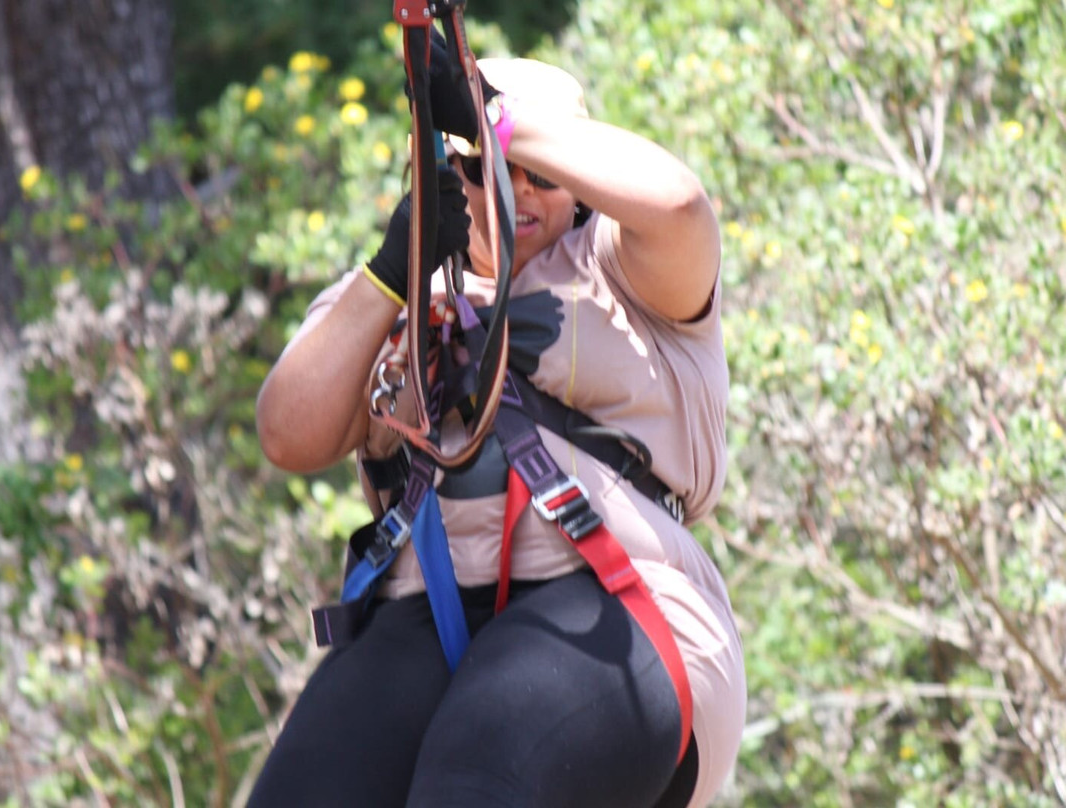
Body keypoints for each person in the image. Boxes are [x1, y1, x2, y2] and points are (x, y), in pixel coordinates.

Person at [249, 38, 745, 808]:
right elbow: (288, 434)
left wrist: (487, 117)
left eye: (537, 176)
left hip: (613, 598)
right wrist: (391, 273)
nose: (506, 194)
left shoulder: (620, 268)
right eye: (475, 171)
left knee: (478, 784)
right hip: (427, 614)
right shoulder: (391, 291)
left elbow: (678, 203)